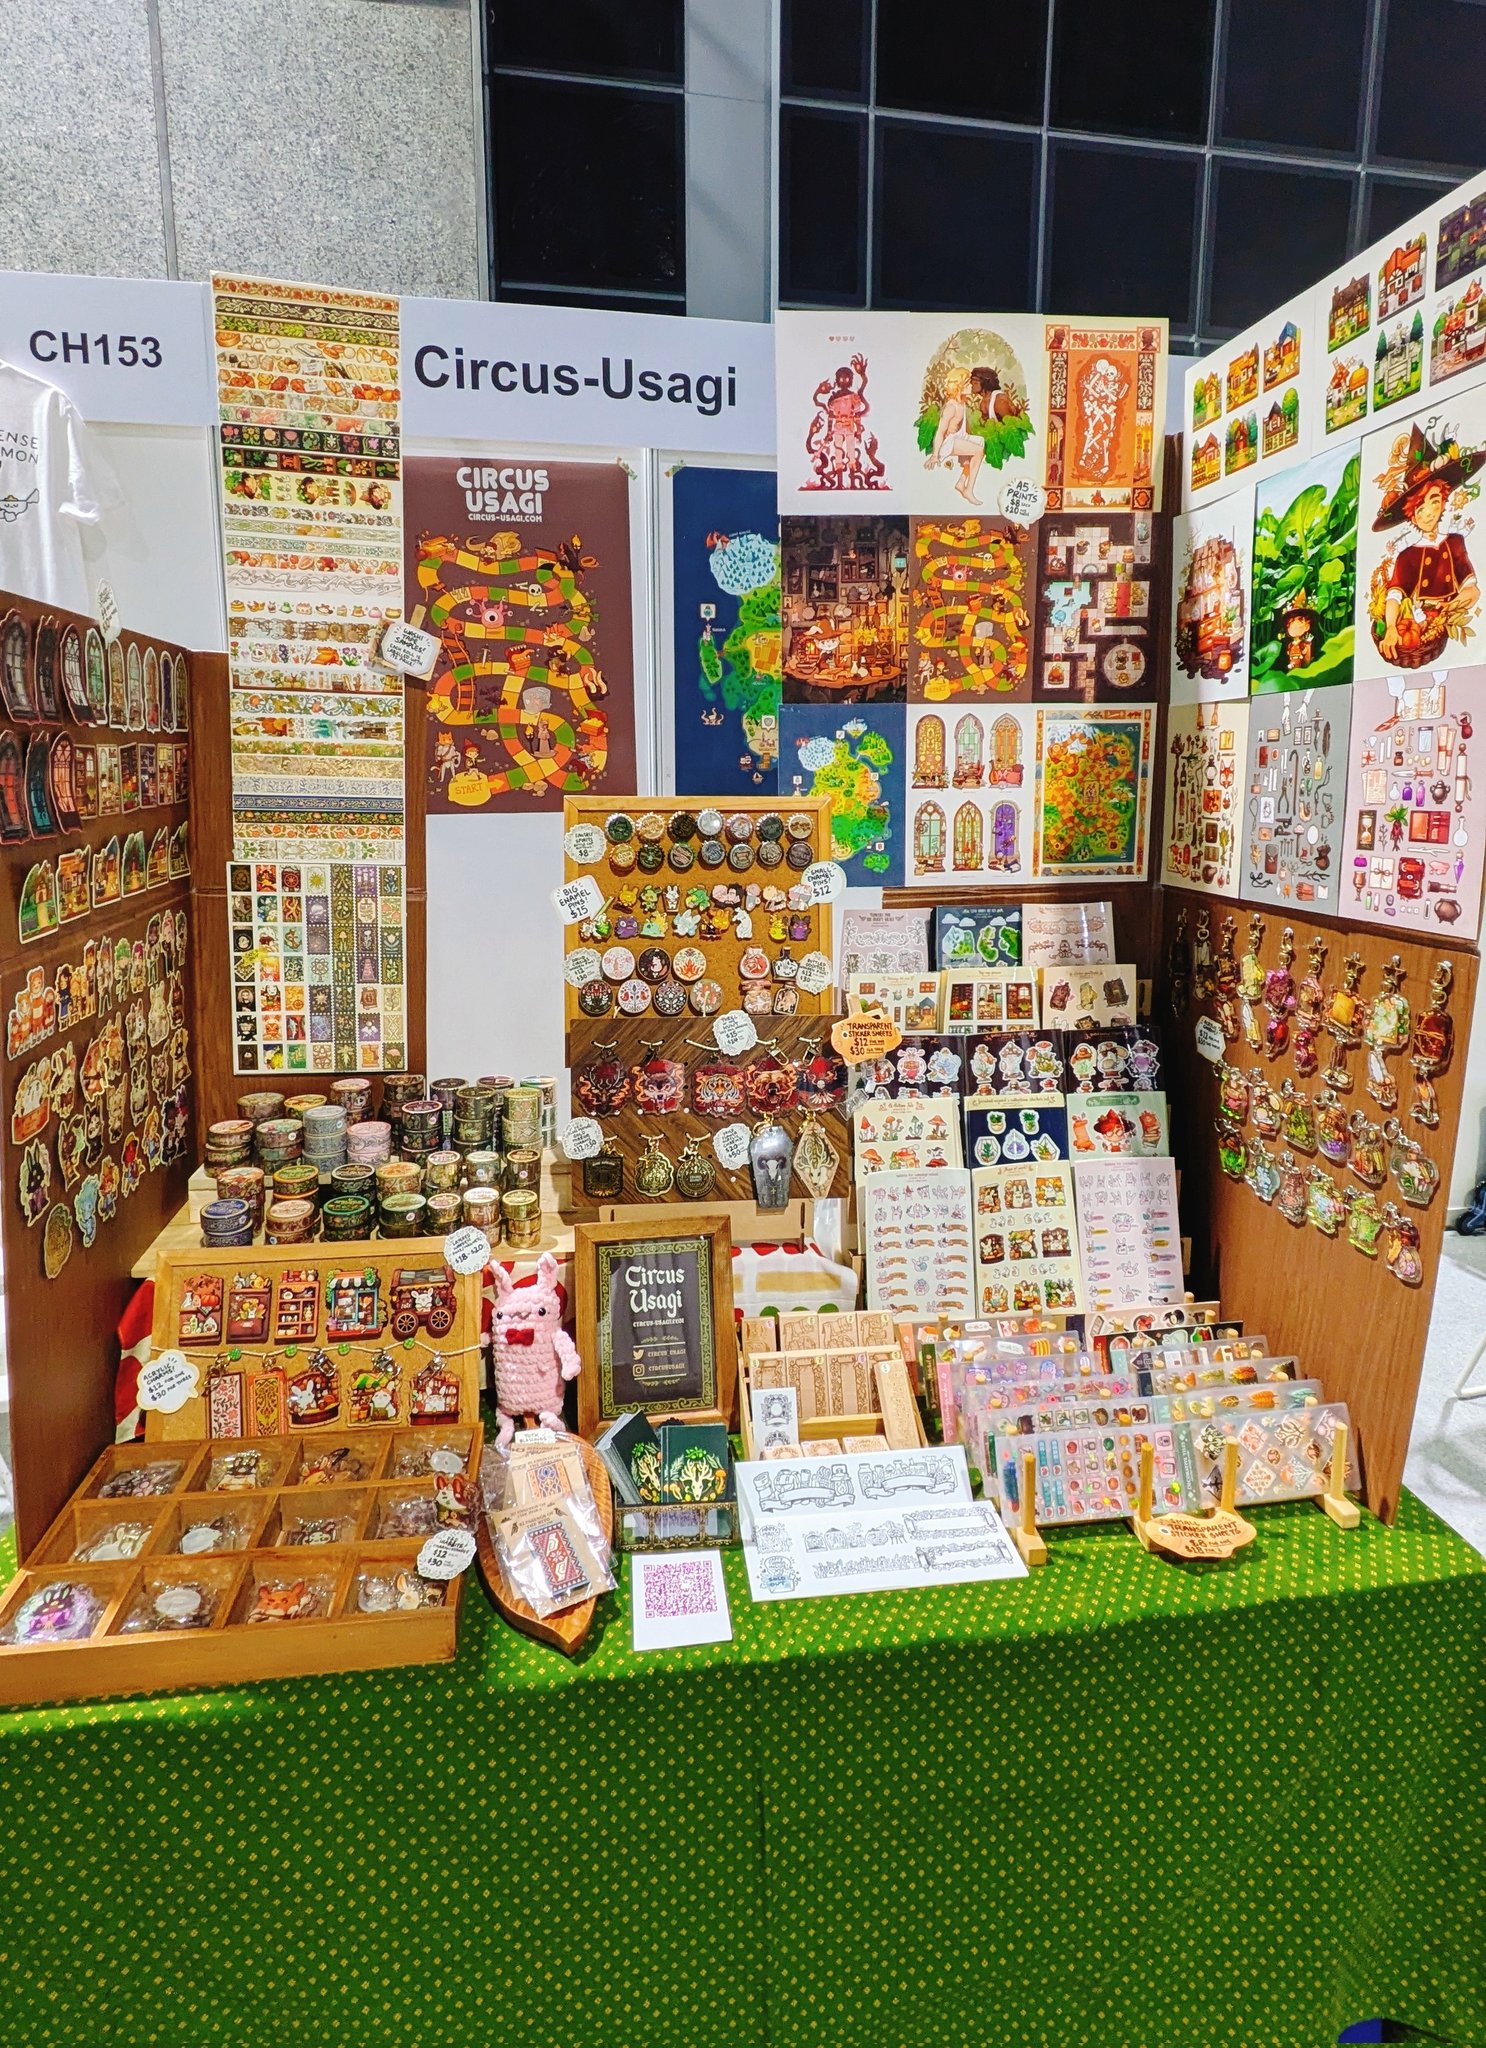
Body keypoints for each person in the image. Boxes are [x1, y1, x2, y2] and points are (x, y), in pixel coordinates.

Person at [1371, 420, 1485, 667]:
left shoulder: (1455, 542)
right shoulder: (1407, 555)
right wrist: (1391, 627)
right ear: (1411, 516)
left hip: (1443, 625)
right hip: (1415, 623)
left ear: (1443, 501)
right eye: (1419, 509)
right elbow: (1394, 595)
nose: (1428, 513)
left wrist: (1447, 611)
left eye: (1434, 501)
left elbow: (1472, 589)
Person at [926, 367, 986, 505]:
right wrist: (935, 455)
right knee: (978, 451)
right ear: (960, 385)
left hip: (959, 437)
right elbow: (940, 431)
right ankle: (969, 490)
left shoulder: (962, 403)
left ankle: (961, 482)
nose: (971, 385)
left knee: (980, 441)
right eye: (968, 383)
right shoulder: (951, 407)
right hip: (949, 442)